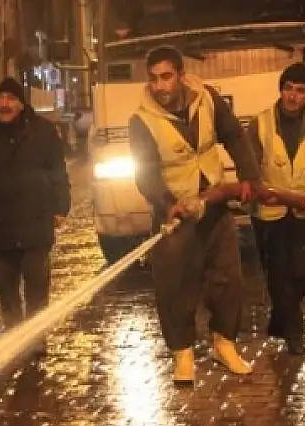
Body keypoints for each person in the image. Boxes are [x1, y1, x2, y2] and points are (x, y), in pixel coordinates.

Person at [128, 45, 258, 384]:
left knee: (228, 279)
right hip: (175, 214)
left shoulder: (209, 99)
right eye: (154, 79)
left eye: (167, 77)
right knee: (174, 286)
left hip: (215, 205)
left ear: (181, 76)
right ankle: (182, 354)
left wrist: (248, 176)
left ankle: (224, 343)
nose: (160, 86)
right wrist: (164, 201)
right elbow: (144, 171)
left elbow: (234, 135)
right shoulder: (141, 120)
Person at [0, 77, 71, 355]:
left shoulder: (43, 132)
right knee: (7, 290)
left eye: (11, 99)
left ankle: (36, 337)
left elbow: (57, 169)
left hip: (36, 221)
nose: (5, 104)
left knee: (37, 287)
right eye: (0, 98)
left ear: (21, 104)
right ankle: (15, 338)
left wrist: (60, 206)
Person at [245, 62, 305, 356]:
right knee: (279, 274)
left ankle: (280, 317)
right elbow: (249, 165)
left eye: (300, 90)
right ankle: (295, 334)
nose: (293, 96)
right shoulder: (260, 123)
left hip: (302, 210)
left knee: (304, 272)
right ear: (281, 90)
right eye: (288, 88)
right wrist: (259, 191)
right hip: (269, 214)